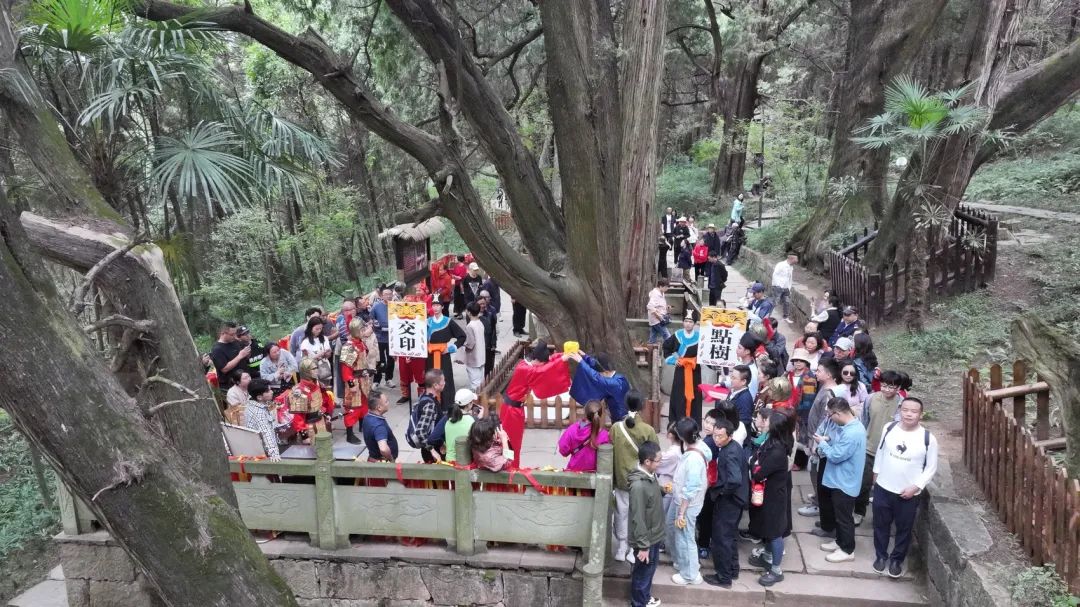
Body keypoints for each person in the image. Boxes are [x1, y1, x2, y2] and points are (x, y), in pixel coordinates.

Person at [872, 397, 939, 578]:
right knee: (880, 524)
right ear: (900, 410)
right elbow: (880, 451)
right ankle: (880, 555)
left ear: (921, 415)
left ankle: (897, 560)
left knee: (904, 528)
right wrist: (876, 473)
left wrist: (916, 487)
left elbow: (931, 467)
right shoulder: (889, 428)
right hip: (883, 487)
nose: (909, 414)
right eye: (905, 410)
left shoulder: (928, 439)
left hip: (907, 493)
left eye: (914, 411)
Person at [500, 341, 571, 468]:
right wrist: (561, 360)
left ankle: (513, 466)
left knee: (515, 442)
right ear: (538, 360)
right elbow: (543, 370)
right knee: (512, 442)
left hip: (515, 409)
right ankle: (511, 468)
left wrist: (563, 355)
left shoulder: (526, 364)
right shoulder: (525, 369)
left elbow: (548, 362)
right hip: (511, 411)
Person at [813, 397, 867, 563]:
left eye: (830, 415)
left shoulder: (852, 433)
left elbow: (836, 455)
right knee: (838, 514)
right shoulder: (850, 426)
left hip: (845, 482)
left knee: (844, 517)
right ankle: (839, 541)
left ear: (837, 413)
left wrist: (822, 443)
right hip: (838, 479)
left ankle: (847, 549)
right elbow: (839, 444)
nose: (829, 418)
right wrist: (828, 439)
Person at [747, 410, 794, 586]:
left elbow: (758, 473)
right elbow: (756, 460)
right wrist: (755, 463)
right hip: (768, 494)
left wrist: (754, 465)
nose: (764, 422)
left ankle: (776, 570)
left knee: (775, 533)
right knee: (768, 528)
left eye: (768, 421)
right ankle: (767, 556)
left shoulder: (777, 451)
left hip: (774, 497)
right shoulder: (772, 442)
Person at [611, 390, 659, 562]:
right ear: (643, 406)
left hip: (622, 479)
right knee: (638, 516)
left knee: (621, 513)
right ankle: (633, 549)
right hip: (641, 481)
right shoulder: (648, 430)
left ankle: (621, 547)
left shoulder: (616, 428)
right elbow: (655, 454)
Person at [856, 371, 909, 524]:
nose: (887, 390)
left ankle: (882, 518)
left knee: (884, 486)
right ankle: (859, 512)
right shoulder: (871, 398)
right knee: (864, 483)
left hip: (889, 452)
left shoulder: (902, 404)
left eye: (891, 387)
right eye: (884, 386)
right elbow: (864, 420)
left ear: (898, 388)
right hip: (869, 447)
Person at [798, 358, 844, 517]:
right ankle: (818, 497)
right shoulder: (824, 388)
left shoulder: (829, 394)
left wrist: (816, 442)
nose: (816, 373)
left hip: (819, 440)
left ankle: (819, 504)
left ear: (829, 374)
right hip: (815, 437)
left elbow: (825, 420)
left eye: (819, 370)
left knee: (816, 471)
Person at [705, 419, 748, 588]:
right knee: (730, 535)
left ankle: (723, 577)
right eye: (715, 435)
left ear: (729, 436)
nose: (716, 439)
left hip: (729, 501)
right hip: (736, 499)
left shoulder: (729, 453)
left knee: (721, 538)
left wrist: (722, 492)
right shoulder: (732, 447)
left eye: (720, 436)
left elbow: (734, 480)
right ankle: (732, 569)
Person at [669, 418, 708, 586]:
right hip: (691, 500)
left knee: (686, 538)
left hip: (688, 504)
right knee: (683, 535)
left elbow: (691, 487)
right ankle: (684, 564)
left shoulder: (693, 459)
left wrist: (681, 512)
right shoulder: (700, 446)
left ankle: (690, 574)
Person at [627, 441, 665, 607]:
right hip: (645, 539)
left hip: (653, 535)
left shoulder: (650, 475)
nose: (660, 463)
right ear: (647, 461)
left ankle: (644, 598)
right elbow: (638, 518)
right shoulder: (638, 486)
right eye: (658, 460)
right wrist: (643, 546)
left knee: (649, 570)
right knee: (643, 572)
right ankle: (638, 603)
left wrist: (662, 491)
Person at [567, 351, 632, 422]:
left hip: (621, 419)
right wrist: (585, 356)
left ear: (606, 372)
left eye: (599, 373)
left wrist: (581, 362)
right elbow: (597, 365)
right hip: (621, 416)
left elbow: (596, 377)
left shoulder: (613, 384)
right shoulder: (620, 377)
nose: (599, 374)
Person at [426, 300, 466, 410]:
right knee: (431, 379)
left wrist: (451, 348)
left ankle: (447, 406)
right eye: (433, 305)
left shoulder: (448, 321)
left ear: (442, 307)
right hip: (430, 356)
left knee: (445, 379)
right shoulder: (427, 322)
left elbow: (462, 336)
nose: (435, 308)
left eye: (438, 305)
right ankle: (432, 404)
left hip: (443, 355)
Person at [663, 312, 702, 423]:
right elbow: (666, 348)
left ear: (695, 323)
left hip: (694, 370)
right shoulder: (677, 335)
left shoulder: (700, 337)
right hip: (681, 369)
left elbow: (705, 354)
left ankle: (693, 423)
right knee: (679, 395)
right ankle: (677, 422)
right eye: (686, 321)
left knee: (695, 395)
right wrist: (674, 360)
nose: (688, 324)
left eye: (691, 321)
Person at [339, 318, 372, 445]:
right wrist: (351, 384)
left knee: (364, 404)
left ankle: (363, 426)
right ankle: (349, 434)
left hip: (363, 379)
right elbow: (346, 369)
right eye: (362, 330)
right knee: (352, 407)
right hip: (354, 381)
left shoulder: (361, 343)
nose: (364, 332)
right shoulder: (349, 347)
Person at [287, 358, 334, 440]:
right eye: (314, 369)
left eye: (317, 368)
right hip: (309, 427)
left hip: (321, 421)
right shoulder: (299, 390)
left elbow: (325, 400)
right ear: (306, 371)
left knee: (325, 444)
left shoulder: (318, 384)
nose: (317, 370)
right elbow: (298, 417)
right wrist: (304, 436)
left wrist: (328, 414)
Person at [557, 400, 611, 472]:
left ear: (585, 413)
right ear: (600, 415)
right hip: (594, 474)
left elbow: (563, 451)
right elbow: (606, 460)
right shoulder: (604, 435)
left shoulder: (572, 429)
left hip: (574, 472)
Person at [407, 369, 445, 463]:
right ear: (435, 385)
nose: (444, 383)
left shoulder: (424, 395)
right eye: (443, 381)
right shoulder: (430, 404)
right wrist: (432, 451)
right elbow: (420, 431)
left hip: (434, 448)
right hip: (433, 451)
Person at [243, 379, 282, 461]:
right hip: (263, 454)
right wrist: (274, 454)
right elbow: (266, 433)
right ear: (259, 397)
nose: (271, 392)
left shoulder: (252, 404)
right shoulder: (258, 413)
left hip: (258, 451)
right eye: (268, 391)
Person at [210, 322, 250, 391]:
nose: (234, 336)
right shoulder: (217, 349)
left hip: (244, 382)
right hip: (230, 385)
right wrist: (240, 356)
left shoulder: (235, 342)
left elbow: (244, 358)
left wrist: (246, 353)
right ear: (223, 333)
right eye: (232, 334)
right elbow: (224, 369)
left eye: (235, 333)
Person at [443, 388, 479, 462]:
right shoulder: (471, 420)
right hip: (465, 461)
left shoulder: (448, 420)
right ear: (469, 404)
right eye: (472, 402)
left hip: (449, 460)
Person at [362, 389, 397, 462]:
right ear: (379, 408)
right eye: (386, 401)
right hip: (382, 463)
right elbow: (383, 449)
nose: (388, 403)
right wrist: (391, 459)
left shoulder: (367, 416)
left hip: (372, 458)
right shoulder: (379, 426)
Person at [299, 317, 333, 386]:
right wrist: (318, 356)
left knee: (326, 387)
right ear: (310, 328)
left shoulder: (324, 338)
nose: (319, 331)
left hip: (324, 368)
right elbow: (305, 362)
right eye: (317, 329)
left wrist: (328, 353)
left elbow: (329, 354)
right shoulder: (305, 343)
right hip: (312, 371)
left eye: (321, 328)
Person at [371, 288, 395, 387]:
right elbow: (371, 319)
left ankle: (389, 379)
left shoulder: (396, 306)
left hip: (392, 337)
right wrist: (376, 324)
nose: (388, 296)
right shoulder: (376, 306)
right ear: (381, 296)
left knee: (391, 359)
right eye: (386, 294)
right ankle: (377, 380)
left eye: (390, 294)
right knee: (379, 360)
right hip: (380, 337)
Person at [462, 303, 487, 390]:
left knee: (475, 383)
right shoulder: (480, 323)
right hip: (481, 356)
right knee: (481, 381)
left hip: (473, 358)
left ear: (469, 312)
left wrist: (463, 346)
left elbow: (470, 343)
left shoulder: (470, 326)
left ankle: (476, 397)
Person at [771, 253, 797, 324]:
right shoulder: (781, 265)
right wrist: (777, 285)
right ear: (791, 259)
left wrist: (789, 287)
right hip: (778, 287)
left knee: (787, 302)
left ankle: (786, 317)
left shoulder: (791, 267)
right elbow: (775, 274)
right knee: (775, 302)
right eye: (796, 259)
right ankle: (768, 315)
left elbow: (789, 278)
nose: (797, 261)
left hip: (786, 288)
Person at [477, 291, 499, 377]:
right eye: (480, 304)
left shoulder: (490, 315)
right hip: (478, 346)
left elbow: (493, 330)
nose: (482, 305)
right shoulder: (473, 316)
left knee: (489, 367)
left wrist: (494, 344)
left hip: (488, 345)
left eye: (484, 304)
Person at [646, 279, 671, 345]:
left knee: (653, 337)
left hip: (658, 318)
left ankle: (650, 347)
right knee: (667, 335)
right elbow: (650, 306)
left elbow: (659, 304)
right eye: (666, 287)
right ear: (660, 286)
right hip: (657, 319)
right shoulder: (655, 294)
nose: (667, 289)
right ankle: (671, 348)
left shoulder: (661, 293)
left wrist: (666, 307)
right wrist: (659, 316)